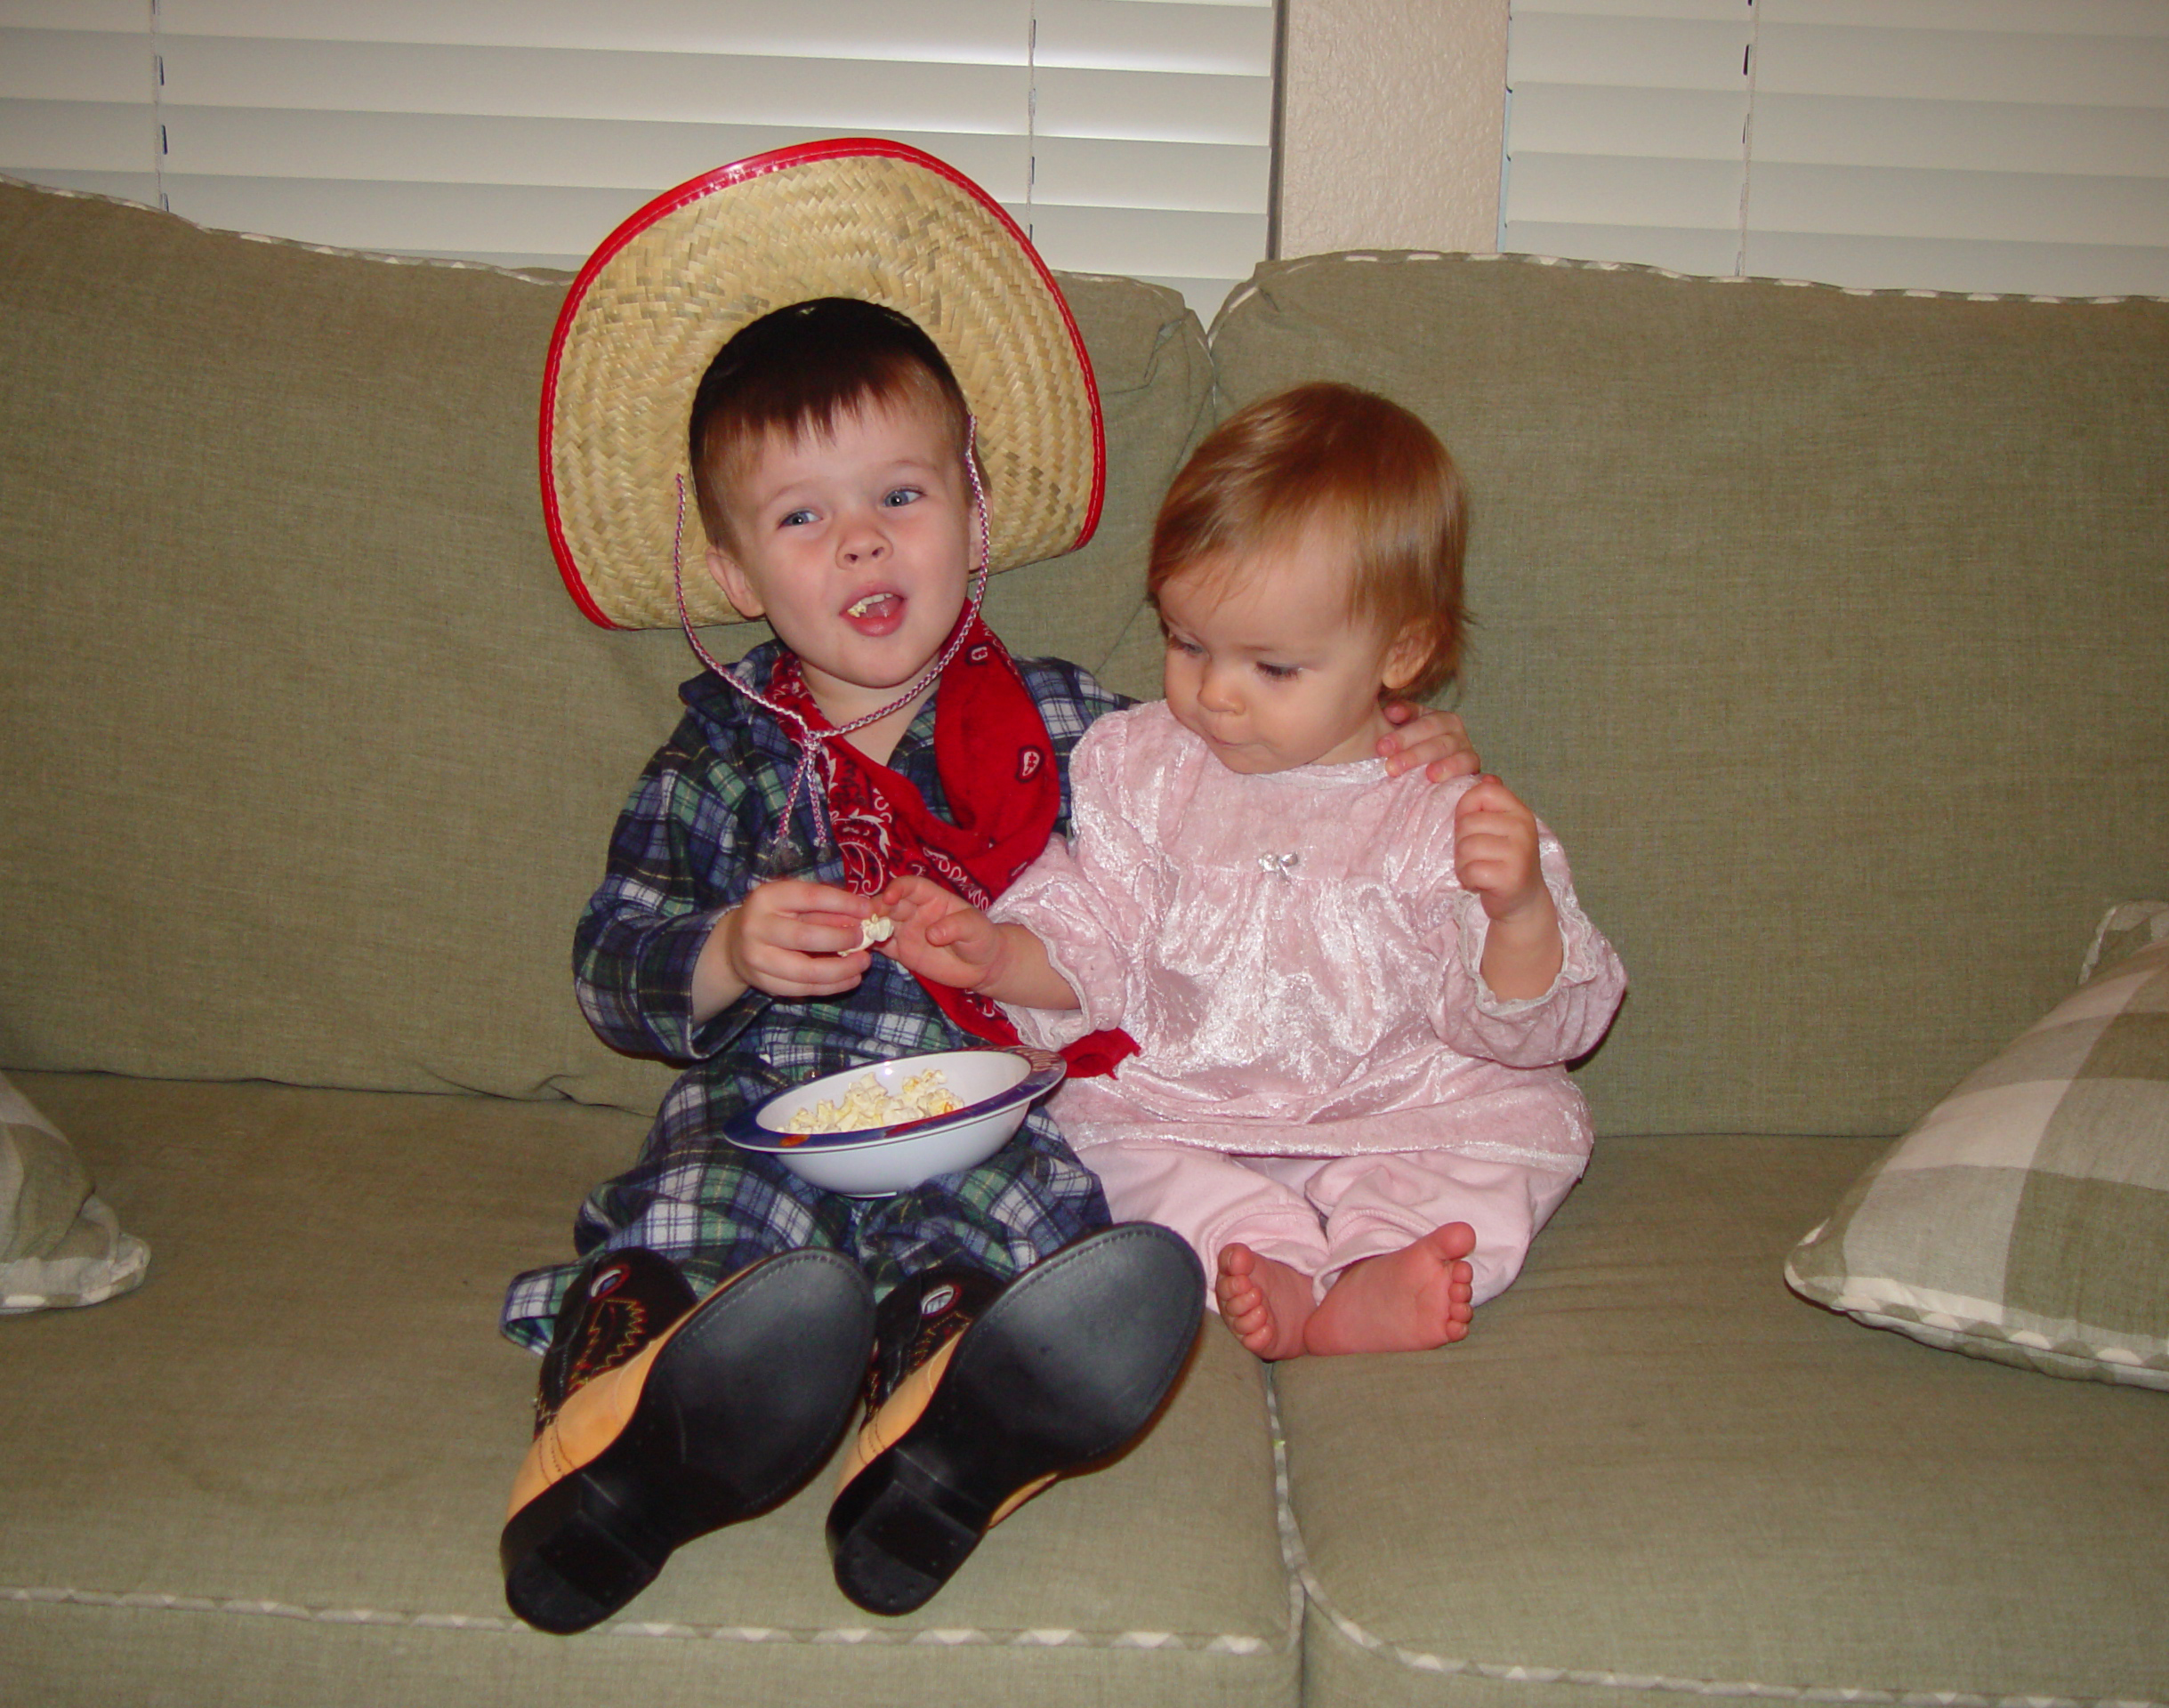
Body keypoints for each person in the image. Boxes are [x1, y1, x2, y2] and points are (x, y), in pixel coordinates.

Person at [498, 144, 1480, 1632]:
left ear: (970, 498)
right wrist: (725, 954)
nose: (863, 541)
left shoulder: (1096, 732)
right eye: (802, 519)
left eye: (899, 491)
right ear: (735, 567)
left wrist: (1390, 740)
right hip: (772, 1115)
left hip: (990, 1107)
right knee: (701, 1224)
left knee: (1036, 1233)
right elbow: (608, 966)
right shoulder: (716, 759)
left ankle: (940, 1447)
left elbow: (1255, 797)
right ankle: (616, 1457)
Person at [881, 382, 1626, 1363]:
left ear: (1399, 653)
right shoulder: (1139, 767)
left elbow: (1530, 1030)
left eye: (1272, 668)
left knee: (1511, 1144)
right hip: (1183, 1101)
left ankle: (1376, 1269)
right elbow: (1095, 931)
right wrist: (998, 957)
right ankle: (1256, 1255)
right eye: (1187, 643)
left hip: (1403, 1107)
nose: (1216, 695)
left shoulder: (1438, 804)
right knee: (1096, 1145)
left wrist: (1520, 910)